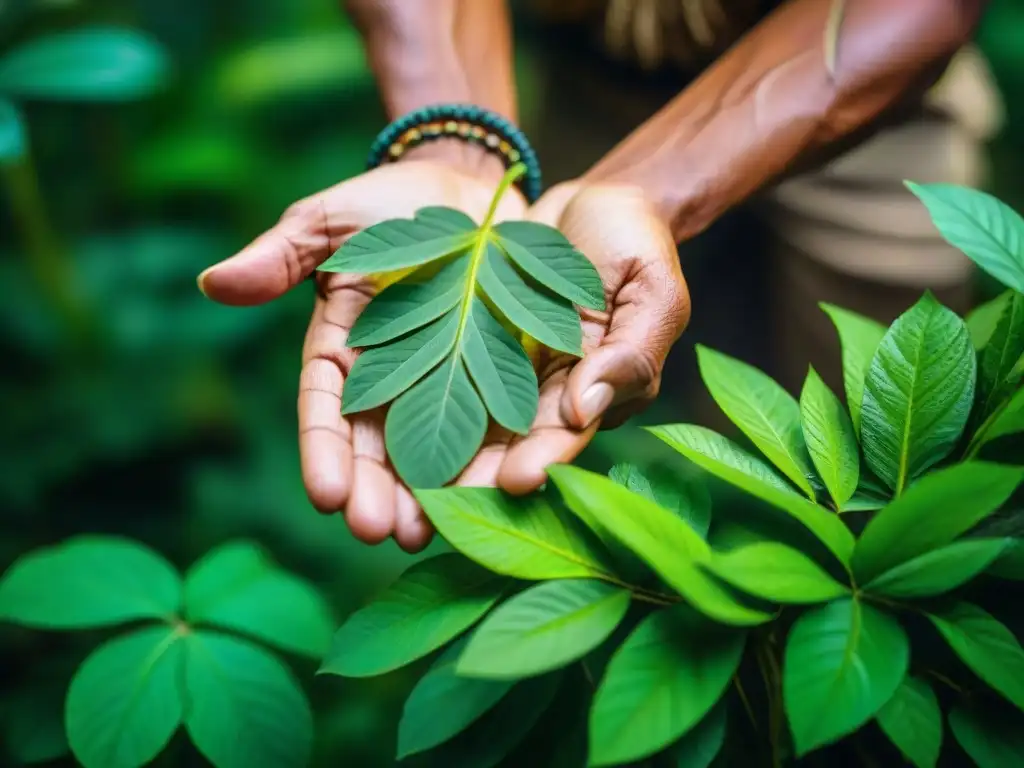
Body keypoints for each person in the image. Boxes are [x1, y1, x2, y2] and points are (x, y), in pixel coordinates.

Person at [196, 0, 993, 553]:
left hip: (866, 93)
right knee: (597, 356)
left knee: (884, 473)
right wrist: (459, 148)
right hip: (587, 83)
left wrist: (649, 188)